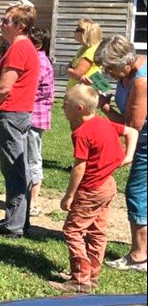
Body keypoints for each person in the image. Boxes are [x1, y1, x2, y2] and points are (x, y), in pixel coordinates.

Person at [47, 85, 137, 293]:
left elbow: (79, 168)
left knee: (73, 230)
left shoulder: (81, 133)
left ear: (78, 108)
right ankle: (91, 276)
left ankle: (80, 280)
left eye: (65, 105)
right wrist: (129, 155)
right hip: (108, 185)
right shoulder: (103, 123)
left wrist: (69, 196)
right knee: (97, 231)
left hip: (91, 189)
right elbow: (131, 131)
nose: (62, 108)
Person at [0, 3, 39, 238]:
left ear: (20, 26)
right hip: (16, 114)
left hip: (12, 114)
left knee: (14, 170)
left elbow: (4, 87)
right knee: (18, 169)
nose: (1, 24)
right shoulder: (21, 47)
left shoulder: (19, 49)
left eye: (6, 21)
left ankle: (13, 226)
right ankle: (17, 220)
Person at [94, 35, 147, 273]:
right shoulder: (126, 74)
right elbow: (109, 90)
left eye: (110, 69)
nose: (107, 73)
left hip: (144, 143)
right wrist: (100, 91)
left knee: (137, 193)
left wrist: (104, 107)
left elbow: (132, 127)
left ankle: (140, 256)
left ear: (126, 63)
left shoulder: (141, 81)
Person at [27, 27, 55, 217]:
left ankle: (33, 202)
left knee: (33, 158)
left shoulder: (39, 62)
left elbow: (29, 87)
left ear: (37, 44)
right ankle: (26, 198)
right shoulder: (37, 59)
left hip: (34, 115)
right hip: (31, 114)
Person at [66, 18, 102, 90]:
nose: (74, 32)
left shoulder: (91, 52)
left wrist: (68, 70)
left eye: (77, 30)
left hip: (84, 93)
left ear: (85, 33)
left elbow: (77, 74)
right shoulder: (83, 49)